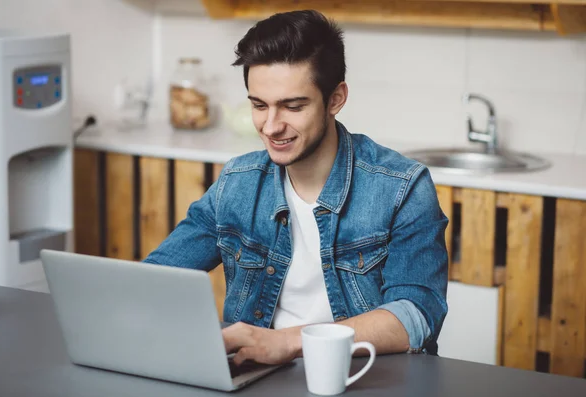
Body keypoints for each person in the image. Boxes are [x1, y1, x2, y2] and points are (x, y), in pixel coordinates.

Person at [144, 9, 448, 366]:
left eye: (292, 106)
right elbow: (156, 279)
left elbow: (416, 316)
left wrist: (288, 342)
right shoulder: (237, 184)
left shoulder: (402, 188)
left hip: (363, 380)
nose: (271, 127)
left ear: (335, 99)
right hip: (258, 379)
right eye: (259, 105)